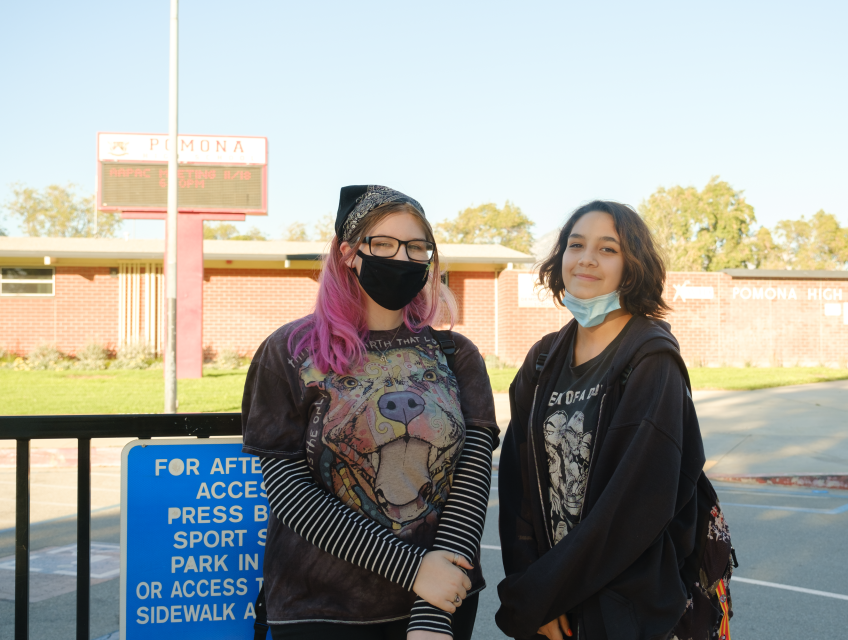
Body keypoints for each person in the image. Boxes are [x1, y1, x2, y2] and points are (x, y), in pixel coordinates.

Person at [241, 185, 499, 640]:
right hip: (320, 610)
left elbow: (471, 480)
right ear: (348, 253)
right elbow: (286, 488)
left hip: (438, 604)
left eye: (417, 247)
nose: (401, 258)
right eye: (383, 244)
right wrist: (412, 568)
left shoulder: (456, 354)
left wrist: (432, 613)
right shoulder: (291, 351)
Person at [496, 201, 708, 640]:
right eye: (576, 245)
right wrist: (534, 592)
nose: (587, 258)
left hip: (624, 608)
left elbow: (633, 508)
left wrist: (542, 594)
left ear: (632, 268)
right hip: (553, 607)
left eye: (608, 249)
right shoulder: (541, 360)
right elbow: (518, 489)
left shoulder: (651, 361)